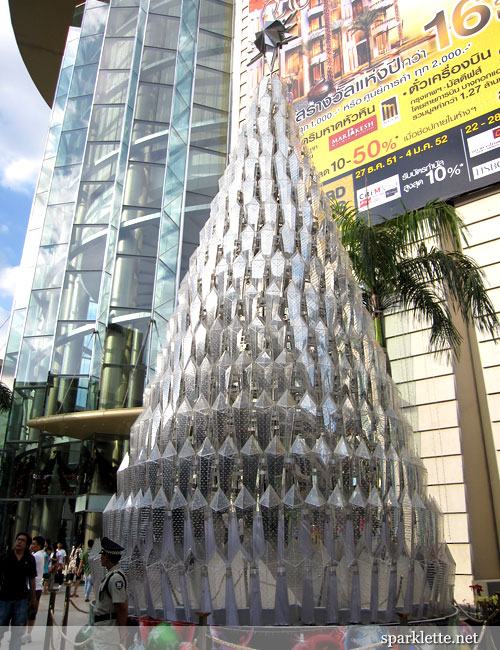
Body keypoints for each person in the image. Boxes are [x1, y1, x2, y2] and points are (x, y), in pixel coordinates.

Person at [0, 532, 37, 650]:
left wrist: (33, 598)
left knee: (17, 630)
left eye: (22, 540)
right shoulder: (6, 557)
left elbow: (32, 579)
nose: (19, 542)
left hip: (21, 598)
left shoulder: (29, 559)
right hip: (4, 597)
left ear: (26, 544)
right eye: (18, 539)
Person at [93, 537, 128, 650]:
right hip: (103, 628)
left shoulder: (115, 578)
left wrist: (122, 629)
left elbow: (121, 606)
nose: (100, 558)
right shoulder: (111, 576)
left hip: (108, 630)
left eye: (102, 555)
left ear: (106, 557)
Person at [21, 535, 45, 645]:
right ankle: (28, 634)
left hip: (32, 587)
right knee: (32, 612)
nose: (31, 546)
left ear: (39, 546)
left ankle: (23, 634)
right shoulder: (40, 555)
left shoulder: (35, 556)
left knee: (26, 611)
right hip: (38, 587)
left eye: (34, 544)